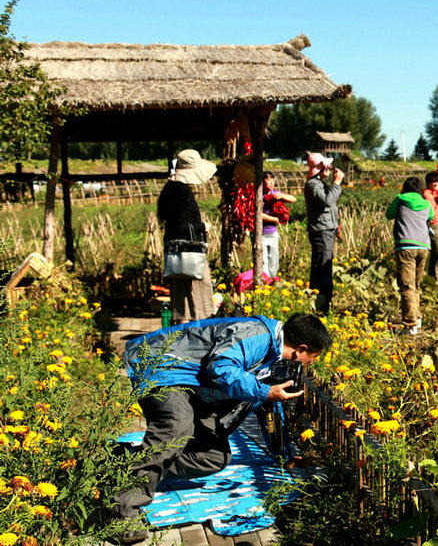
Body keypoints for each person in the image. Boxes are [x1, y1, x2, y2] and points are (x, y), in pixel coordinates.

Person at [111, 313, 332, 543]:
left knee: (214, 456)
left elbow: (271, 410)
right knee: (177, 428)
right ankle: (120, 513)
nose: (309, 365)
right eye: (312, 358)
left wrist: (284, 454)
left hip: (192, 386)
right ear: (300, 350)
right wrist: (264, 391)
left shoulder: (275, 357)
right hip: (165, 369)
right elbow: (221, 369)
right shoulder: (257, 336)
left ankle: (127, 464)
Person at [157, 149, 217, 324]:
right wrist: (203, 226)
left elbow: (173, 224)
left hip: (175, 255)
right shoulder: (184, 194)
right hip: (191, 255)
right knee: (199, 299)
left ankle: (181, 338)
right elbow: (184, 226)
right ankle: (199, 337)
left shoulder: (169, 190)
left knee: (181, 303)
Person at [385, 177, 433, 335]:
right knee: (417, 284)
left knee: (406, 286)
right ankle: (417, 318)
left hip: (405, 246)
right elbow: (431, 218)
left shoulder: (400, 199)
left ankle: (410, 324)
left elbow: (389, 214)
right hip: (424, 246)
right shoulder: (426, 203)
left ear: (404, 188)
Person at [303, 152, 344, 313]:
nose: (329, 168)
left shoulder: (318, 183)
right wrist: (337, 182)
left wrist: (336, 225)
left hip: (327, 229)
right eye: (325, 165)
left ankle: (319, 305)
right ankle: (323, 307)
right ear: (319, 168)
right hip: (321, 231)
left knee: (321, 268)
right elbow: (327, 201)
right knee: (323, 269)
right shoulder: (313, 184)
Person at [260, 171, 297, 278]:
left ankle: (271, 281)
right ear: (262, 181)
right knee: (263, 262)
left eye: (272, 179)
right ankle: (264, 283)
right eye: (268, 179)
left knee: (273, 261)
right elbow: (257, 214)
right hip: (260, 235)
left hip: (272, 233)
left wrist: (281, 195)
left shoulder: (274, 194)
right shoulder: (258, 196)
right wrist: (275, 219)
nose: (271, 182)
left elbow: (293, 199)